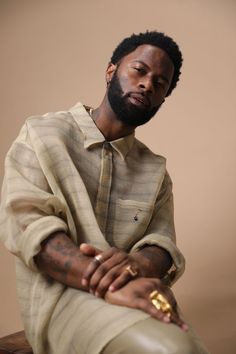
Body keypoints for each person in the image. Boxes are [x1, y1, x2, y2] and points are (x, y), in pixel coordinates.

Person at [0, 31, 209, 354]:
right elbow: (28, 227)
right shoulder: (43, 134)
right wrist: (109, 284)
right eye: (139, 70)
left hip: (136, 293)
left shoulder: (156, 172)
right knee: (171, 350)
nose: (147, 84)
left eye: (160, 83)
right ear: (111, 71)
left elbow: (162, 245)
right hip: (59, 301)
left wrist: (136, 267)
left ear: (164, 98)